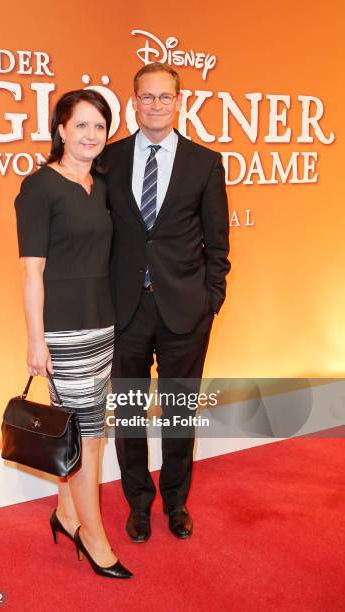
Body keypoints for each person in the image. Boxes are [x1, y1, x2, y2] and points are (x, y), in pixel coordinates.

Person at [104, 63, 231, 542]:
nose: (155, 105)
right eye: (146, 97)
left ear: (180, 102)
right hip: (125, 312)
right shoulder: (109, 160)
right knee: (130, 414)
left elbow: (217, 243)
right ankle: (138, 503)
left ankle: (176, 502)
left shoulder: (205, 162)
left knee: (180, 412)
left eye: (164, 97)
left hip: (185, 312)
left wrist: (210, 300)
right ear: (132, 102)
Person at [14, 90, 132, 579]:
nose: (90, 136)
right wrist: (36, 339)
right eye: (80, 125)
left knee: (78, 427)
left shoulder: (99, 185)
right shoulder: (39, 187)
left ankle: (66, 513)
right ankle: (93, 535)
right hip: (63, 330)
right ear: (60, 129)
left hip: (101, 323)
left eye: (99, 127)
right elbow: (31, 273)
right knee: (90, 436)